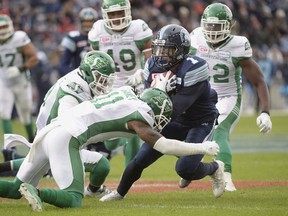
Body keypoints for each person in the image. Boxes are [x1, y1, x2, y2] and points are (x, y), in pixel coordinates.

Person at [0, 86, 220, 212]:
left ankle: (26, 187)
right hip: (67, 137)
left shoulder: (126, 94)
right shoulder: (140, 118)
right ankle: (36, 192)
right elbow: (165, 145)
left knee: (12, 189)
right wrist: (201, 147)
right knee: (74, 198)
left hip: (49, 130)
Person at [100, 24, 226, 202]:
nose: (161, 54)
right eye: (159, 49)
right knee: (141, 158)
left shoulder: (194, 68)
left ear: (181, 51)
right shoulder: (152, 64)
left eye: (168, 50)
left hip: (200, 121)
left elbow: (175, 109)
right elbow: (150, 103)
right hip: (174, 121)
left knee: (185, 169)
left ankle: (214, 168)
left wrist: (160, 92)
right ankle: (119, 193)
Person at [0, 50, 117, 198]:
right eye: (101, 79)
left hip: (45, 137)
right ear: (88, 72)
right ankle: (90, 191)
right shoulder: (75, 90)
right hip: (55, 139)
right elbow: (68, 124)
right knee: (92, 174)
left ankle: (93, 190)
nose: (104, 84)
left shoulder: (79, 76)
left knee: (16, 188)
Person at [189, 3, 272, 191]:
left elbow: (258, 80)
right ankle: (191, 170)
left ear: (228, 26)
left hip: (228, 96)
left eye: (217, 25)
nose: (212, 30)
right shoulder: (195, 38)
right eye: (209, 25)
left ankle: (226, 176)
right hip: (202, 98)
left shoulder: (238, 45)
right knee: (191, 138)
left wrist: (265, 111)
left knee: (219, 130)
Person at [88, 0, 154, 166]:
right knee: (110, 141)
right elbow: (93, 62)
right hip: (109, 87)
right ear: (105, 14)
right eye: (112, 14)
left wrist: (143, 72)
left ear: (128, 11)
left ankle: (129, 177)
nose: (116, 17)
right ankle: (121, 145)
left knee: (133, 129)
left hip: (135, 85)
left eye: (120, 12)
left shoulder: (138, 28)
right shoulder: (98, 30)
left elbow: (152, 62)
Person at [0, 14, 39, 162]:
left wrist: (20, 69)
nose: (2, 31)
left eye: (4, 27)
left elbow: (34, 58)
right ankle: (10, 151)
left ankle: (33, 146)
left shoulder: (19, 38)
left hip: (21, 81)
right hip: (4, 82)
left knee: (25, 115)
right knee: (4, 114)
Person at [58, 7, 98, 77]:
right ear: (81, 22)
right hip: (80, 76)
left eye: (90, 21)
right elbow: (63, 65)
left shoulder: (100, 37)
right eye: (85, 21)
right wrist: (76, 76)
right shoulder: (75, 38)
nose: (88, 24)